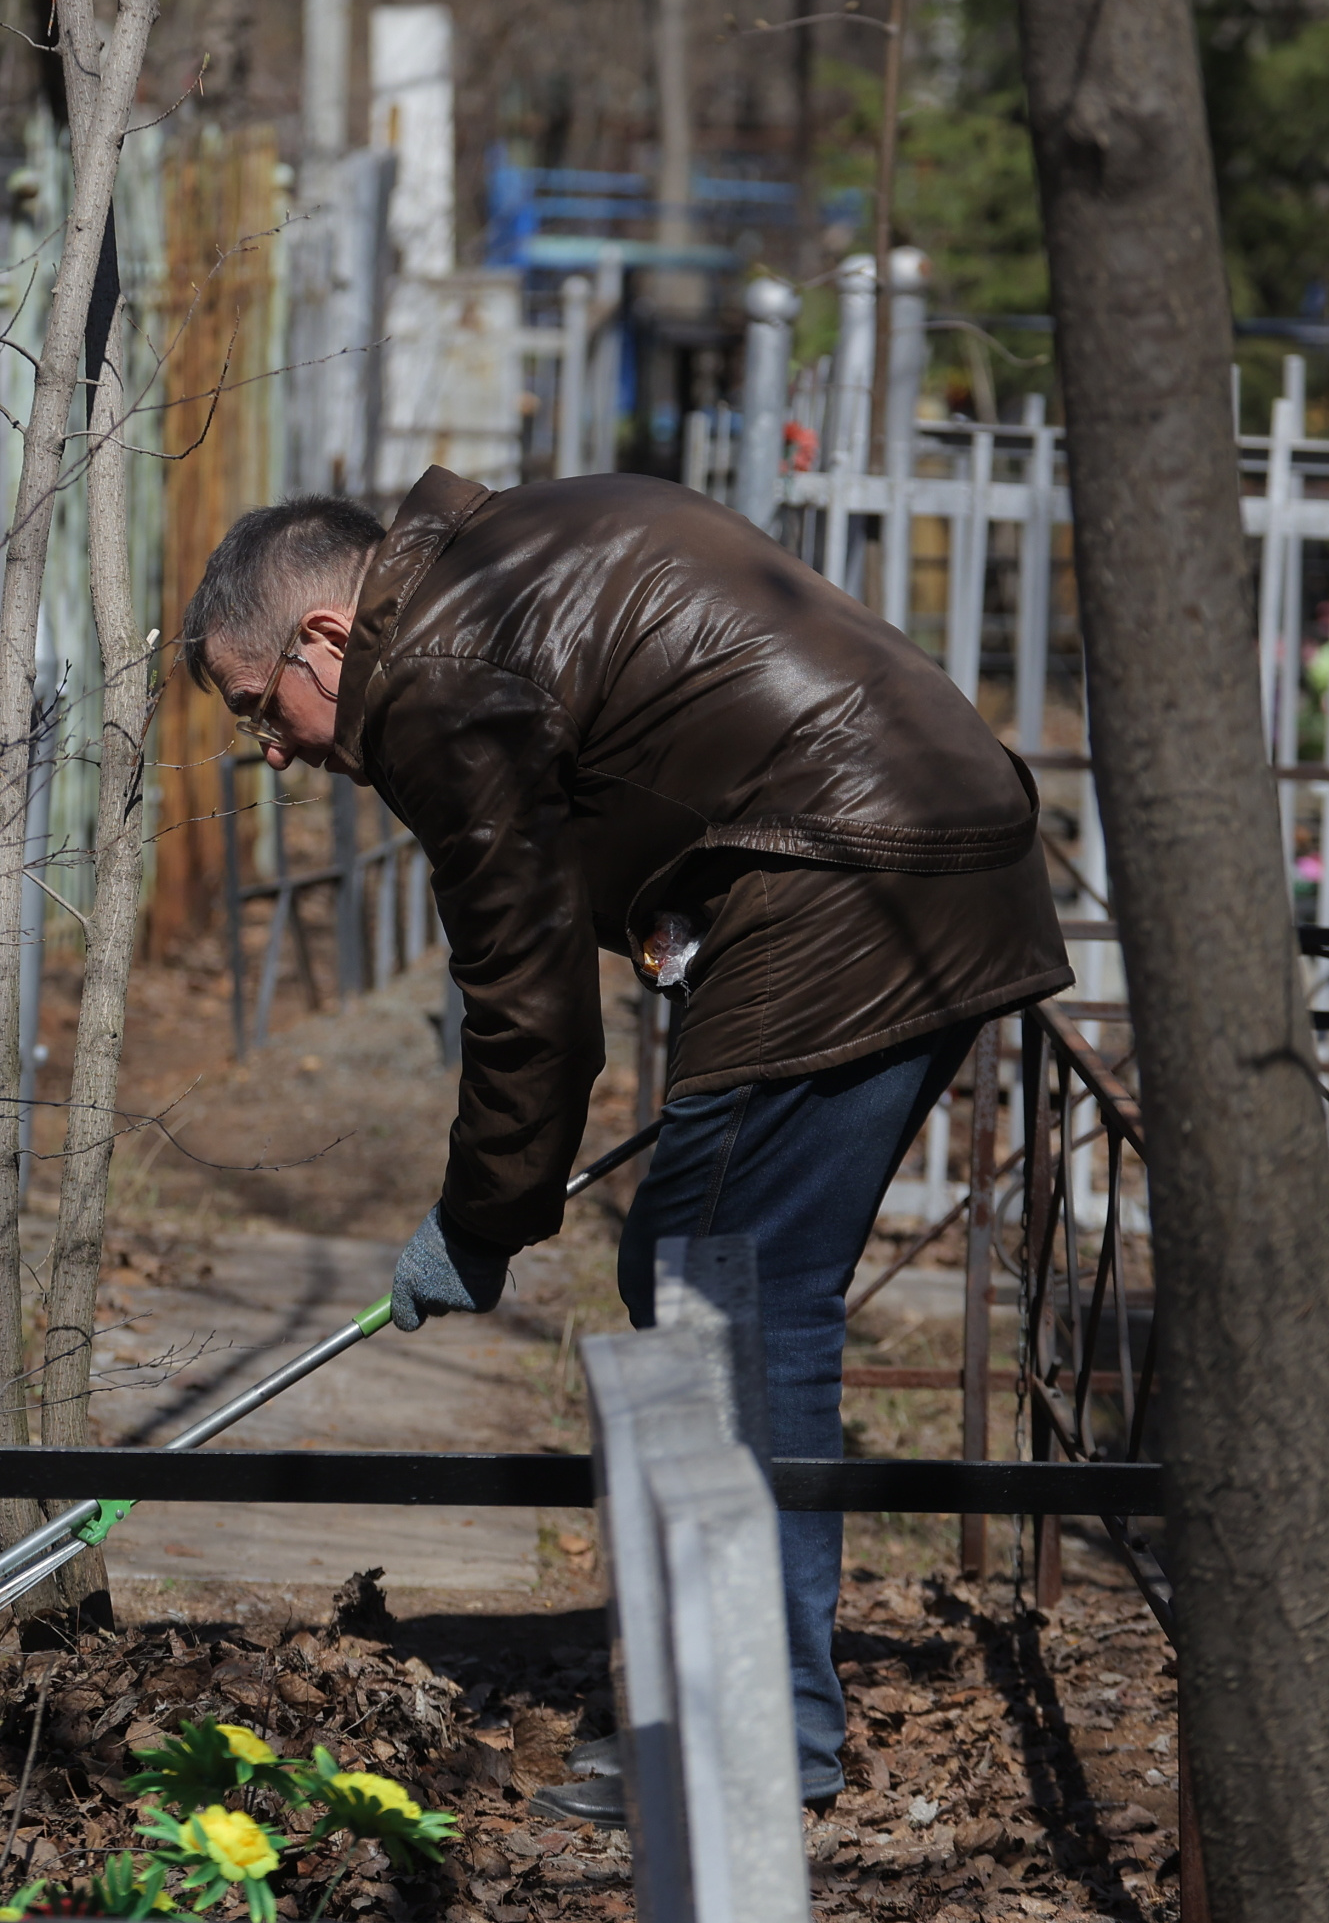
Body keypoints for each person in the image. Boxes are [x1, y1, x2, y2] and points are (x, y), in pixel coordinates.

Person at [183, 466, 1070, 1818]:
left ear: (323, 640)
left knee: (718, 1304)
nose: (278, 751)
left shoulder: (429, 667)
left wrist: (481, 1222)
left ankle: (746, 1743)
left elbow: (524, 994)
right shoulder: (512, 545)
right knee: (716, 1284)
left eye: (262, 710)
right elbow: (661, 755)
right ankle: (733, 1706)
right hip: (937, 846)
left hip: (849, 876)